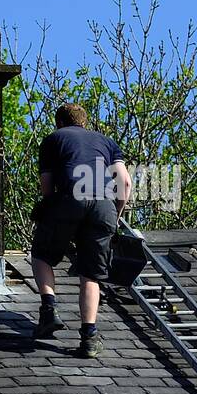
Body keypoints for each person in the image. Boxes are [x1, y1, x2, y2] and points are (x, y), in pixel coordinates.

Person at [30, 103, 132, 359]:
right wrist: (115, 215)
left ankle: (48, 311)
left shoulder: (54, 139)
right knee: (91, 274)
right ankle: (88, 337)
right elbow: (126, 182)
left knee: (42, 254)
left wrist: (50, 210)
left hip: (69, 198)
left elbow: (47, 184)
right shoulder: (107, 142)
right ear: (85, 123)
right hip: (104, 205)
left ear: (60, 123)